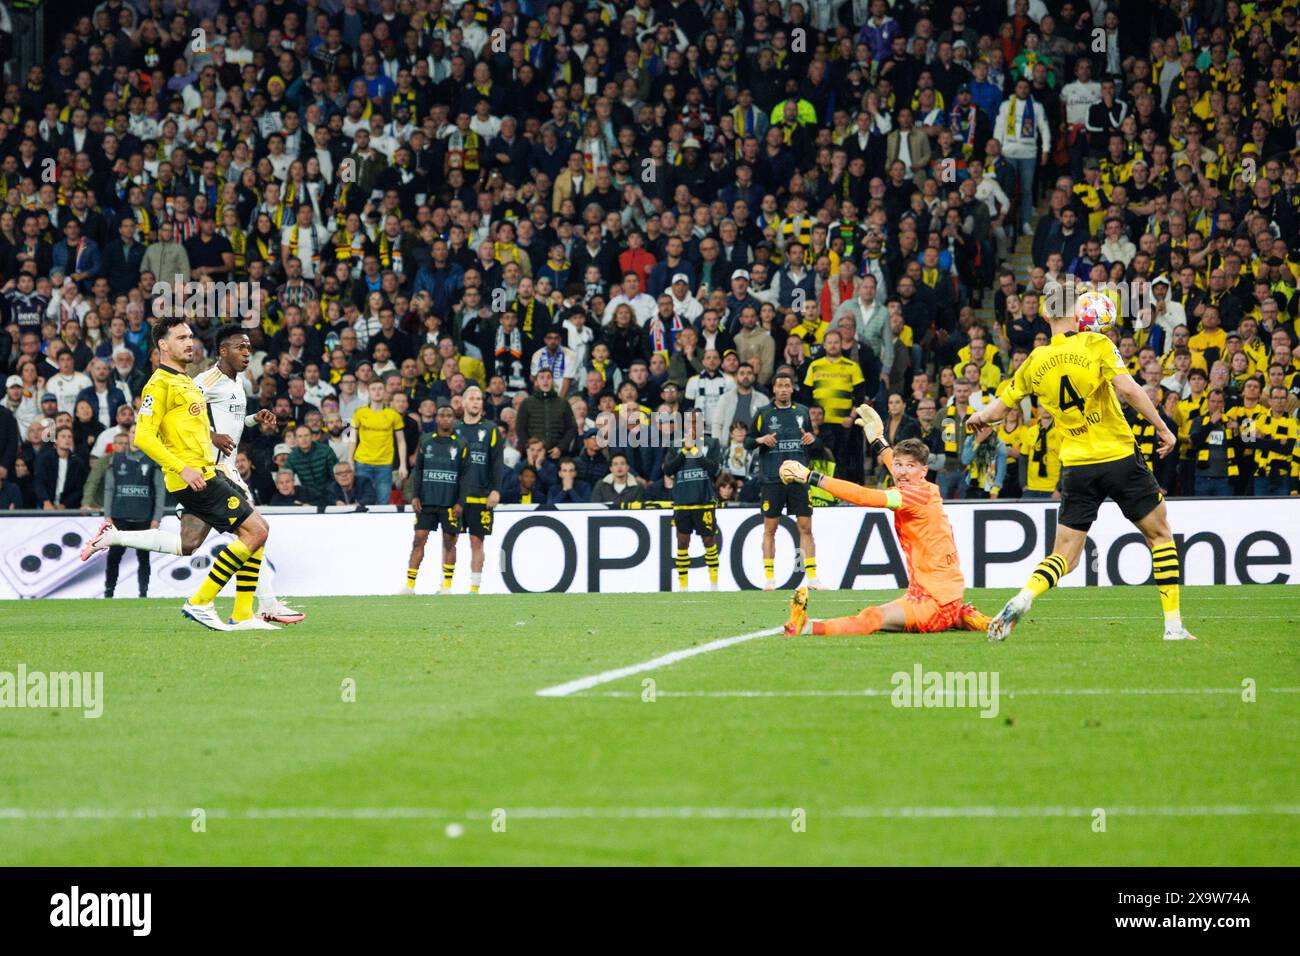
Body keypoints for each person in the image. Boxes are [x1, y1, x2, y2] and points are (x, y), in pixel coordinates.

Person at [967, 290, 1195, 642]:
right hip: (1118, 456)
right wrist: (1164, 428)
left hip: (1075, 466)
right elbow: (1131, 391)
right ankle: (1173, 626)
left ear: (1045, 316)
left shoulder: (1034, 361)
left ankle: (1025, 595)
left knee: (1065, 556)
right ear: (1078, 313)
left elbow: (1000, 408)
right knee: (1160, 535)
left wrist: (979, 418)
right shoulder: (1095, 343)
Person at [83, 326, 304, 625]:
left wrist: (251, 419)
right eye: (182, 338)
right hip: (204, 473)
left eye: (190, 337)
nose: (190, 343)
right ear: (163, 344)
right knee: (255, 531)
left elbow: (197, 424)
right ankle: (239, 604)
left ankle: (114, 537)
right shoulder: (171, 384)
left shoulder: (191, 381)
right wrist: (186, 464)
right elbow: (146, 437)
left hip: (206, 472)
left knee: (190, 544)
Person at [779, 407, 990, 636]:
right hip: (931, 593)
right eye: (899, 465)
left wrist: (810, 477)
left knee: (872, 617)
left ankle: (806, 627)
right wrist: (878, 440)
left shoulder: (912, 495)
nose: (902, 471)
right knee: (876, 615)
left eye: (911, 466)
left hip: (935, 602)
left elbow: (864, 496)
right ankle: (961, 615)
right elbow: (896, 464)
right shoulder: (924, 487)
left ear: (924, 471)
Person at [745, 368, 821, 590]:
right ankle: (769, 579)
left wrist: (811, 438)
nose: (783, 390)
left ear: (792, 388)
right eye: (779, 386)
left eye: (787, 386)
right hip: (772, 478)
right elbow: (748, 442)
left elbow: (815, 443)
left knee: (805, 527)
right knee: (770, 528)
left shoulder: (803, 412)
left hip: (799, 477)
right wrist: (761, 438)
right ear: (774, 389)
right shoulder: (763, 413)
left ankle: (813, 578)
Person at [405, 404, 467, 594]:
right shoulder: (426, 441)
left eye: (450, 415)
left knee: (449, 542)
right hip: (427, 501)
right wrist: (415, 495)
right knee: (419, 540)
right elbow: (418, 470)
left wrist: (460, 502)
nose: (446, 418)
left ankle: (447, 586)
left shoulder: (461, 443)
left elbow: (466, 476)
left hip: (449, 503)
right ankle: (409, 586)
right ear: (436, 419)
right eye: (442, 415)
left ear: (454, 420)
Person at [101, 425, 166, 598]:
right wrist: (107, 515)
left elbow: (160, 490)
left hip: (143, 518)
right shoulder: (116, 459)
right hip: (119, 517)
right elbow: (109, 489)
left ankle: (143, 593)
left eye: (139, 432)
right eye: (132, 432)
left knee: (143, 558)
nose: (135, 435)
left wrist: (156, 518)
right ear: (128, 436)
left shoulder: (152, 460)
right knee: (113, 557)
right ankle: (109, 592)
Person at [662, 416, 722, 591]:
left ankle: (714, 584)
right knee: (682, 542)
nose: (693, 426)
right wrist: (683, 451)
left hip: (704, 501)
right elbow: (668, 470)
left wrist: (694, 449)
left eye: (696, 422)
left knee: (709, 541)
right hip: (682, 501)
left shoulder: (712, 443)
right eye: (689, 422)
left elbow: (714, 469)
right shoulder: (675, 444)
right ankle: (683, 586)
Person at [454, 386, 504, 593]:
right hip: (456, 498)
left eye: (479, 399)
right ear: (463, 403)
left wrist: (496, 490)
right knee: (450, 540)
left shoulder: (491, 429)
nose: (476, 402)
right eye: (472, 399)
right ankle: (446, 585)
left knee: (477, 541)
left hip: (481, 496)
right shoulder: (455, 429)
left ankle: (474, 588)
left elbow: (497, 462)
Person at [348, 379, 408, 504]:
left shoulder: (393, 415)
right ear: (368, 392)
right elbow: (353, 438)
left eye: (380, 388)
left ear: (385, 391)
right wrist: (350, 460)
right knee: (363, 501)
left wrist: (403, 464)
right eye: (373, 389)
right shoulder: (359, 413)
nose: (377, 392)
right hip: (362, 462)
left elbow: (401, 441)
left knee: (383, 502)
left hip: (384, 464)